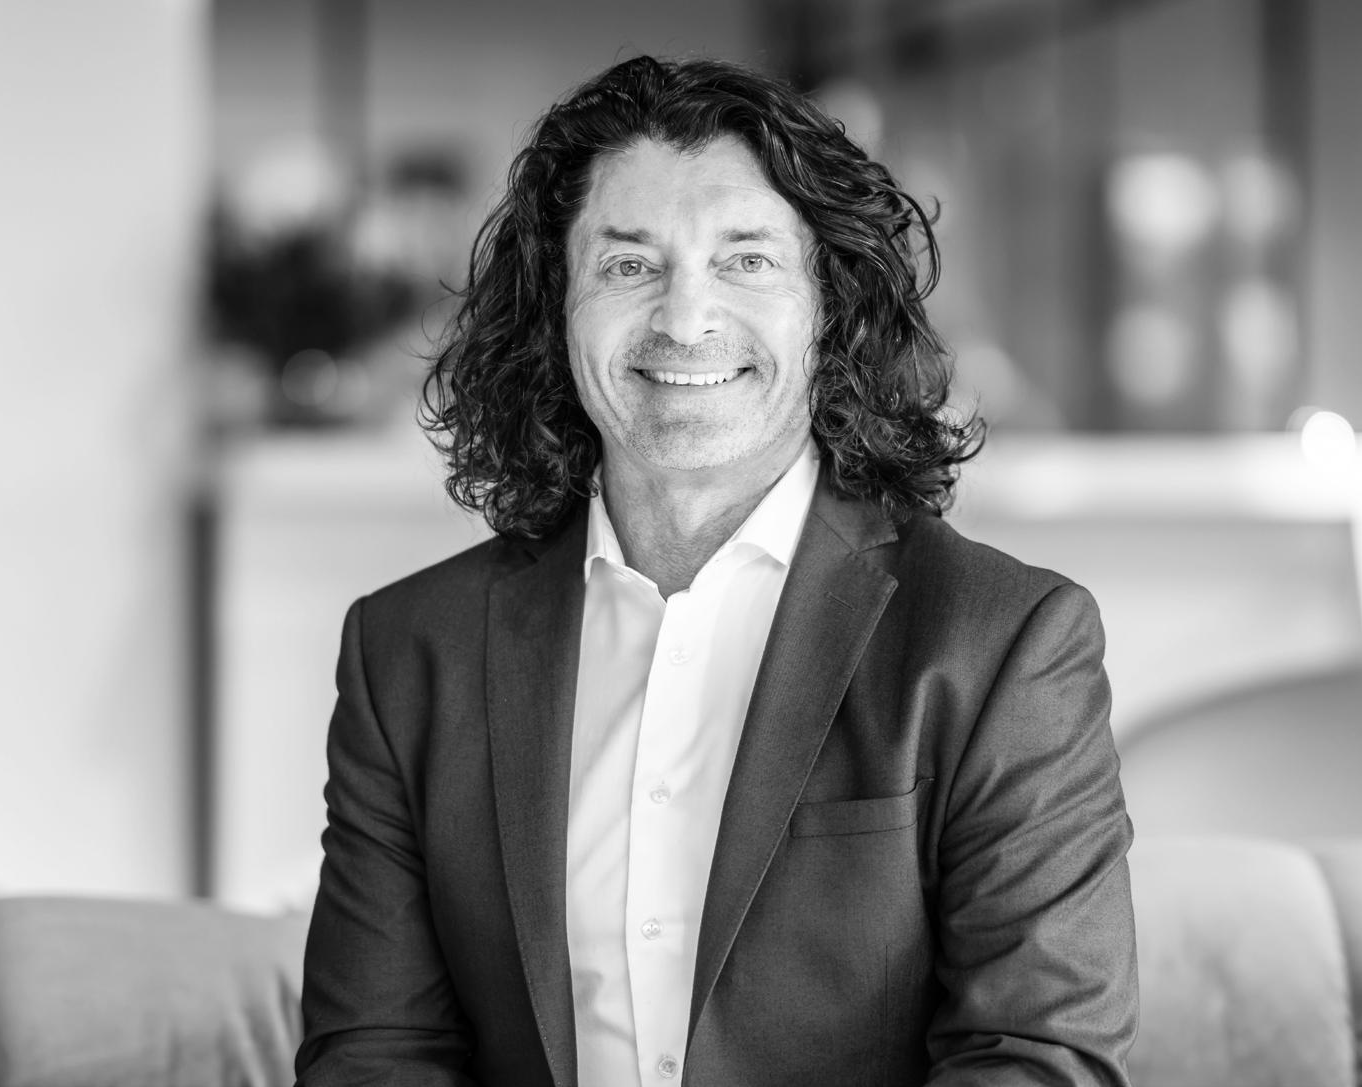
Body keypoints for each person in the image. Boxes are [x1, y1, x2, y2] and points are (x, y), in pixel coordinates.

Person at [296, 55, 1136, 1086]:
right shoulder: (407, 652)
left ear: (829, 306)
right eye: (628, 265)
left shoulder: (1002, 641)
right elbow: (376, 1055)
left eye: (745, 261)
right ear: (555, 310)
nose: (684, 319)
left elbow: (1038, 1058)